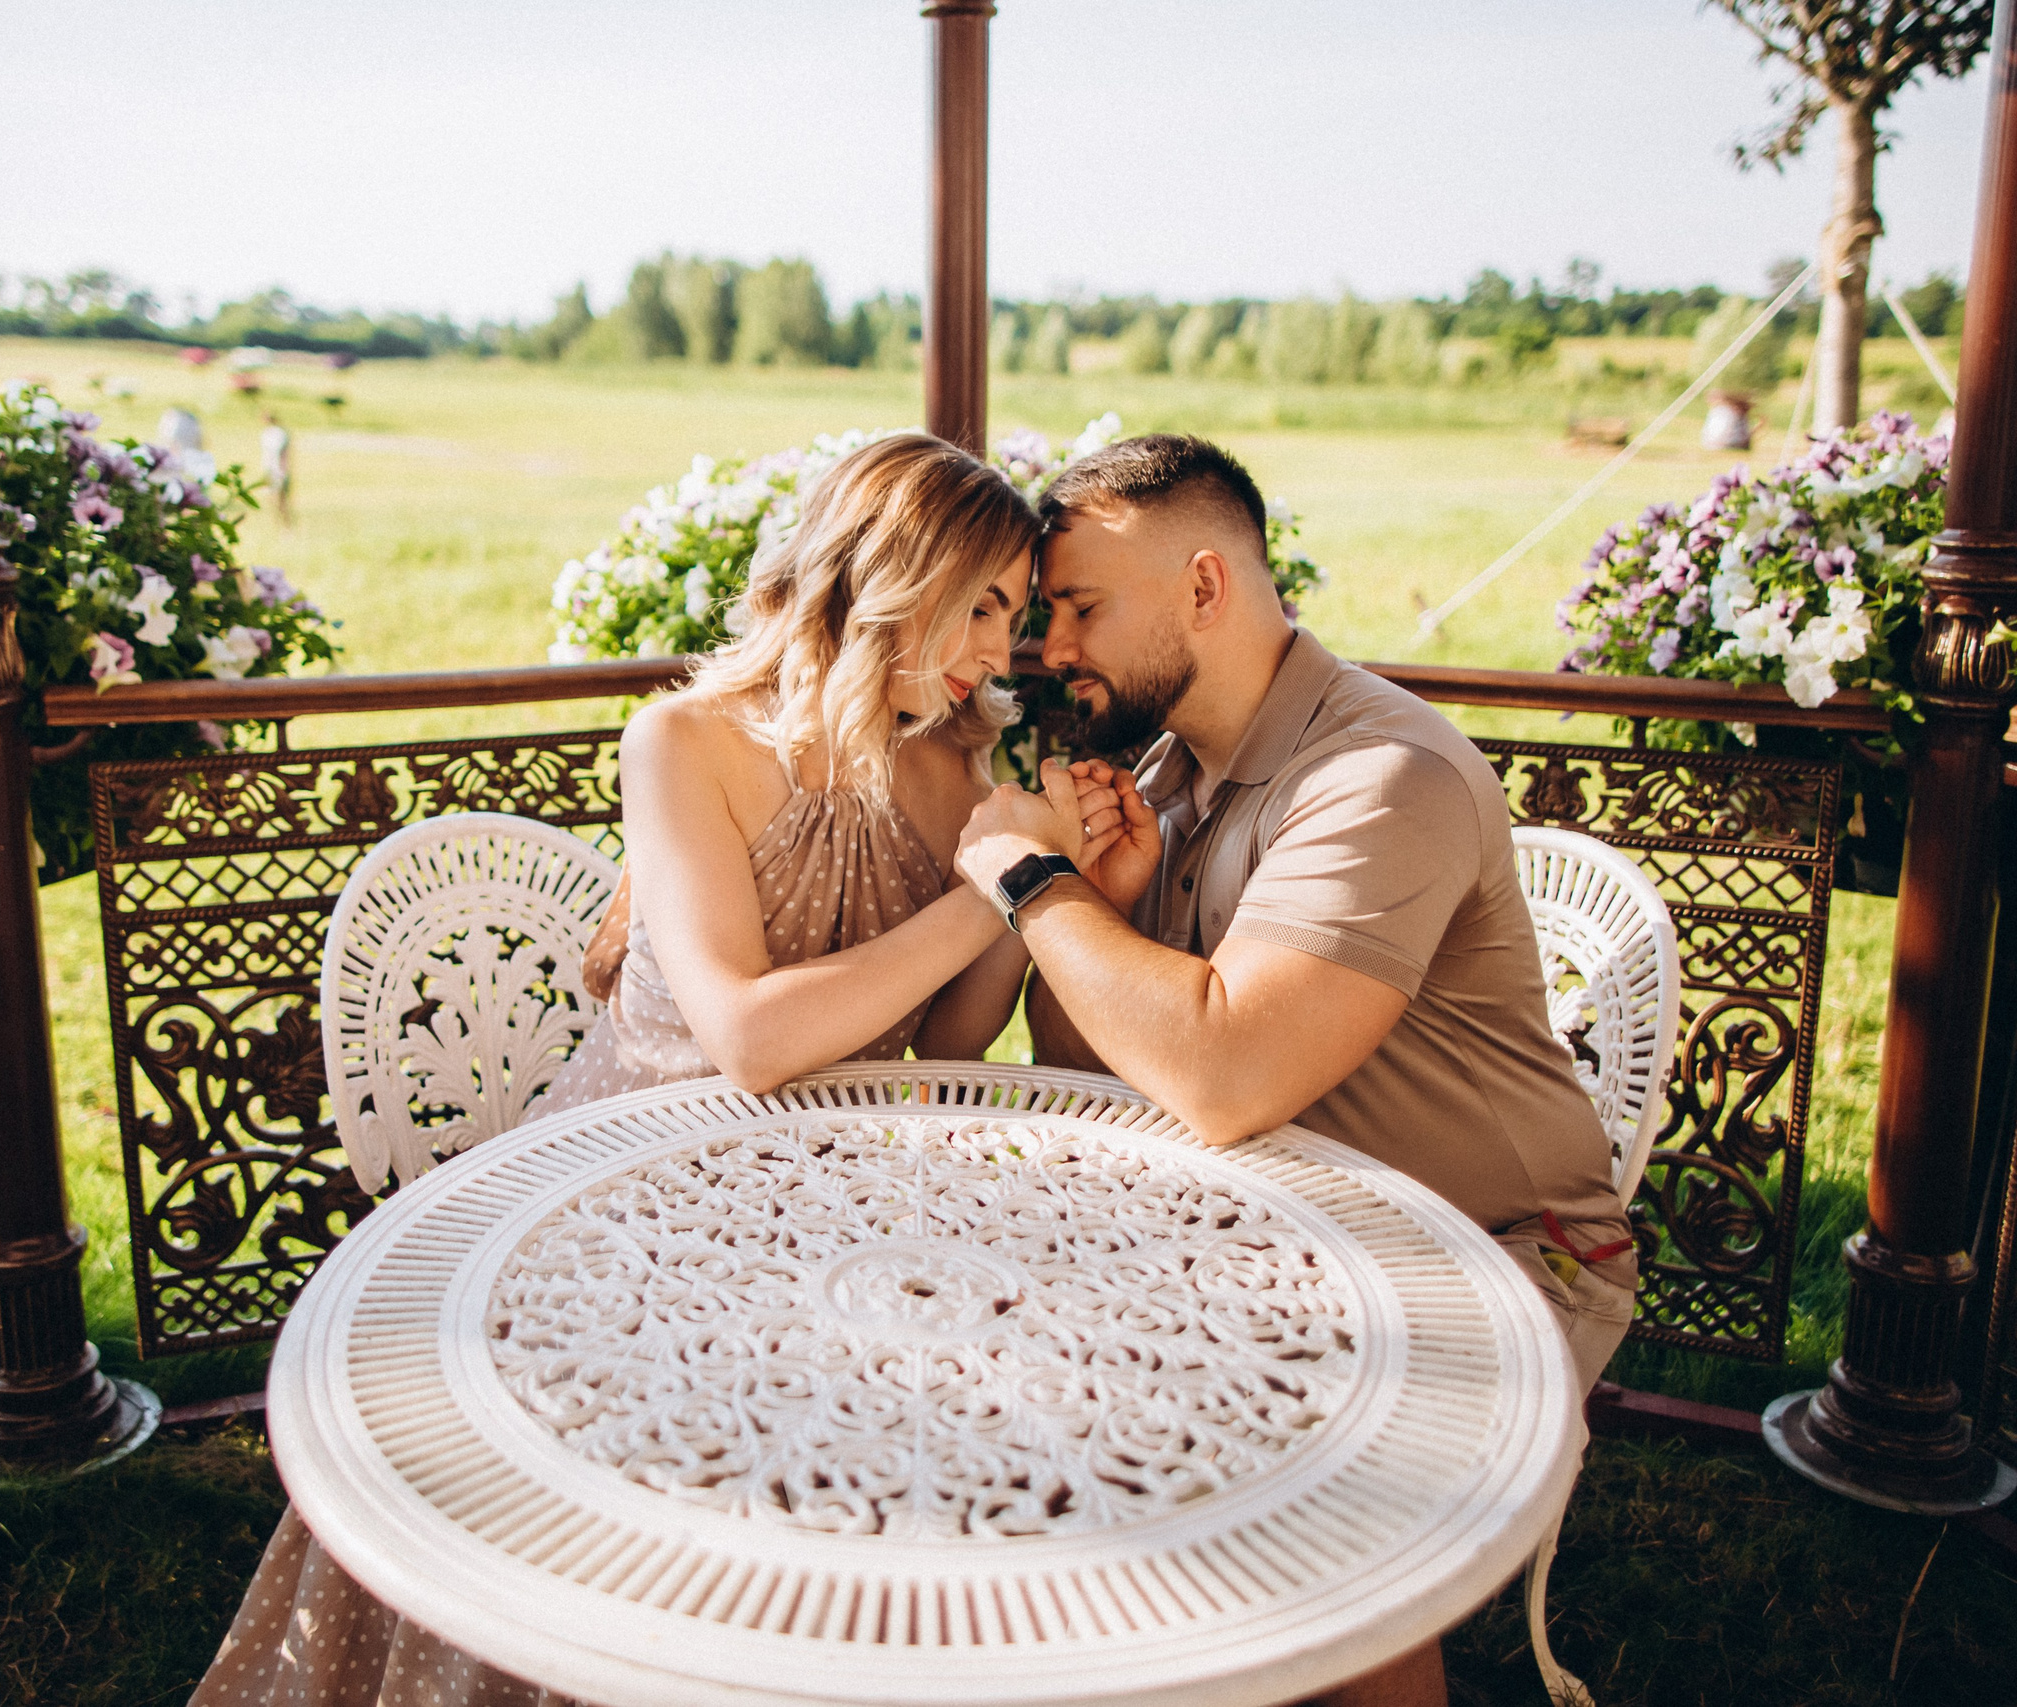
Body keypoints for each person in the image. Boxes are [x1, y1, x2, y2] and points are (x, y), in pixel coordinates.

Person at [190, 431, 1047, 1707]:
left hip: (832, 1195)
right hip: (628, 1186)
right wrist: (986, 896)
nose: (1000, 648)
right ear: (892, 573)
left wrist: (1034, 885)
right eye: (982, 605)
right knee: (596, 1469)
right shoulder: (684, 742)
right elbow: (747, 1038)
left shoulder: (950, 762)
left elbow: (950, 1044)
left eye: (1017, 618)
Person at [949, 433, 1634, 1707]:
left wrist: (1029, 882)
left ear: (1204, 586)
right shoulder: (1166, 766)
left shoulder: (1382, 777)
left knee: (1296, 1516)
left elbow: (1223, 1076)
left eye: (1081, 607)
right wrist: (1106, 907)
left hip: (1485, 1257)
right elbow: (1093, 1064)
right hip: (1263, 1232)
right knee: (990, 1387)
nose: (1048, 647)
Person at [260, 409, 293, 524]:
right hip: (269, 468)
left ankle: (286, 523)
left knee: (282, 498)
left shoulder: (280, 433)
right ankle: (276, 522)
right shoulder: (266, 433)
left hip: (279, 469)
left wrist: (284, 469)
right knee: (271, 497)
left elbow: (284, 453)